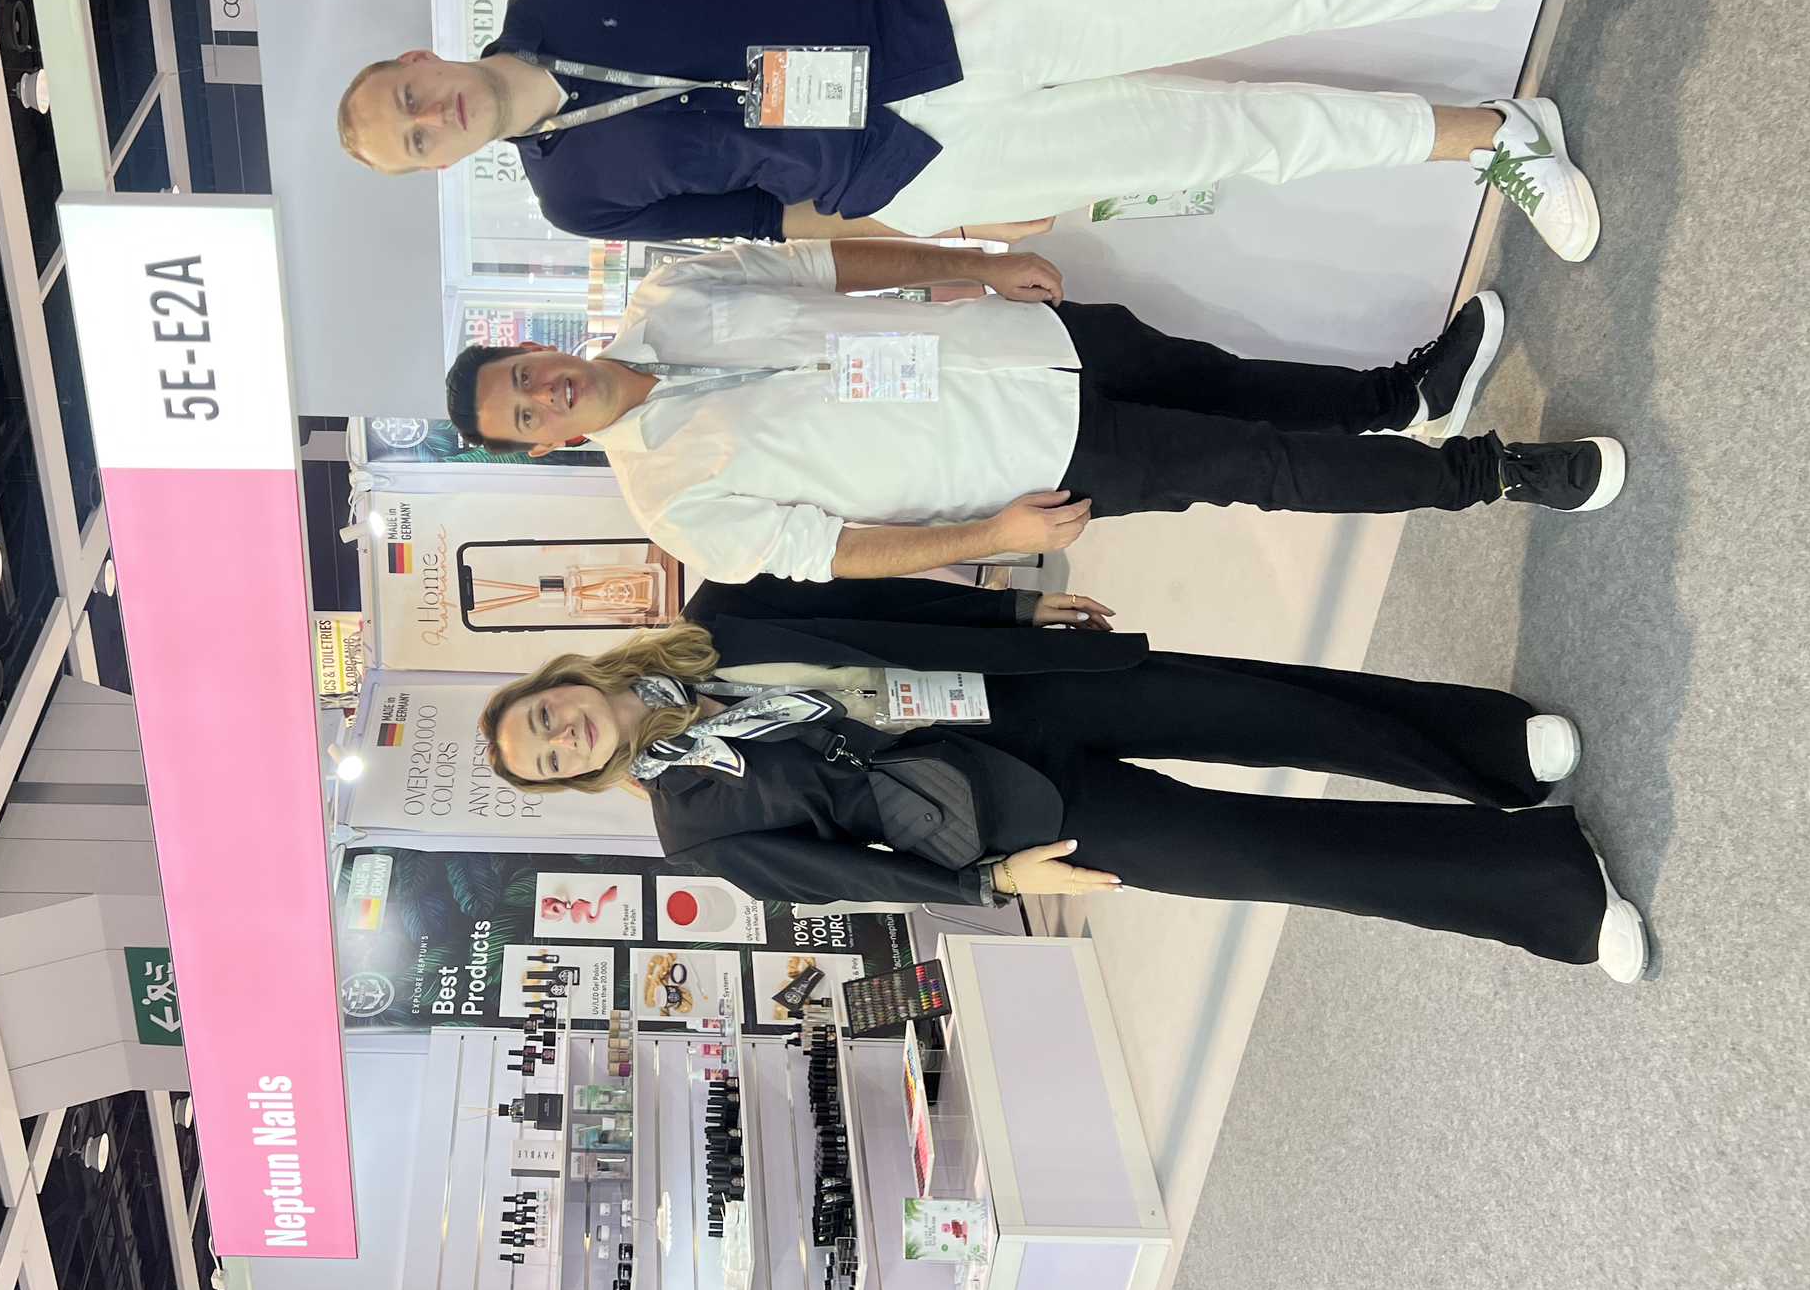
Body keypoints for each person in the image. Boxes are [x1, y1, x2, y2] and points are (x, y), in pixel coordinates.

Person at [334, 0, 1715, 262]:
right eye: (414, 141)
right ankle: (1488, 139)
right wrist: (953, 229)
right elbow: (770, 217)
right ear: (438, 164)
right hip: (923, 163)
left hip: (943, 7)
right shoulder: (575, 201)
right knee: (1229, 139)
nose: (429, 116)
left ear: (416, 54)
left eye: (406, 96)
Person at [476, 575, 1653, 980]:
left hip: (1022, 689)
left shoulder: (717, 621)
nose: (559, 735)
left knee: (1269, 707)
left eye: (541, 717)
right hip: (1014, 816)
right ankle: (1550, 884)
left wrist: (1015, 606)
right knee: (1276, 859)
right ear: (569, 777)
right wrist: (995, 886)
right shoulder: (694, 828)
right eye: (545, 758)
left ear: (558, 680)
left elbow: (876, 608)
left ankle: (1490, 753)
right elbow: (836, 883)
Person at [444, 236, 1619, 584]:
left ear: (532, 347)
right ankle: (1492, 474)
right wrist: (992, 538)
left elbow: (822, 269)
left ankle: (1402, 393)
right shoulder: (673, 503)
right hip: (1027, 455)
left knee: (1221, 374)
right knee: (1261, 465)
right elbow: (831, 552)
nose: (543, 394)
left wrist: (981, 261)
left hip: (1019, 341)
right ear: (541, 445)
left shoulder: (672, 294)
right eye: (526, 417)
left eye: (523, 374)